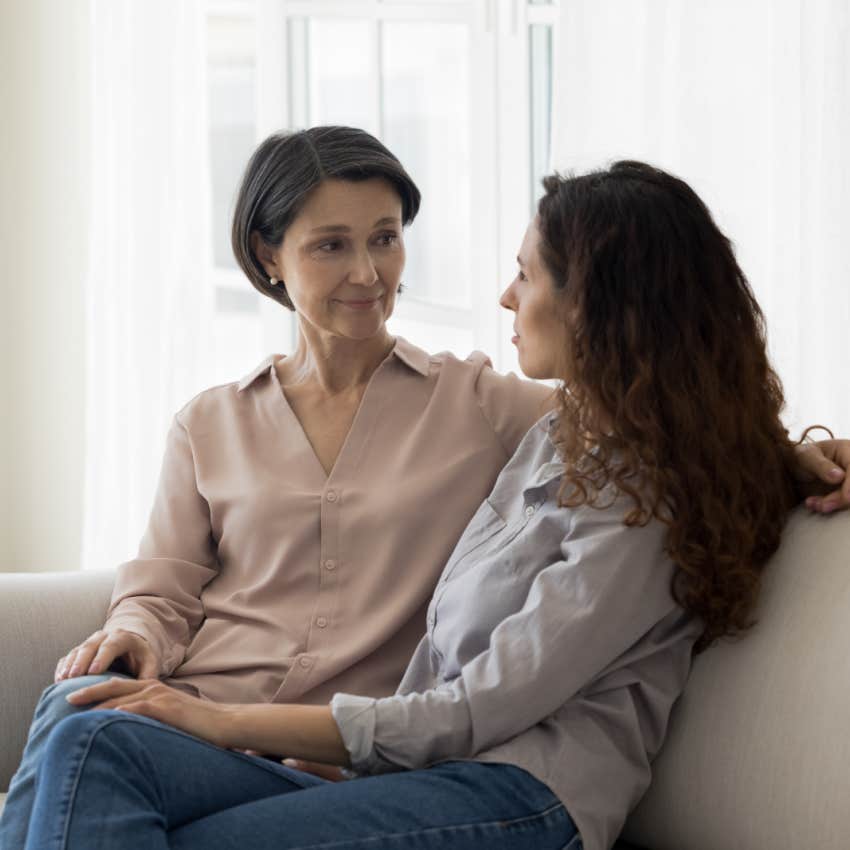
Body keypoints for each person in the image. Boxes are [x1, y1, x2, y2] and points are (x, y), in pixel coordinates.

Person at [1, 134, 847, 850]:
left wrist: (792, 457)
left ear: (598, 303)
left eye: (386, 236)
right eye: (331, 244)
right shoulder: (559, 434)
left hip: (496, 779)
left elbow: (677, 428)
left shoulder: (491, 409)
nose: (370, 270)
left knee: (98, 780)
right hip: (377, 749)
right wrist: (138, 641)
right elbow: (162, 581)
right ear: (271, 256)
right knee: (80, 716)